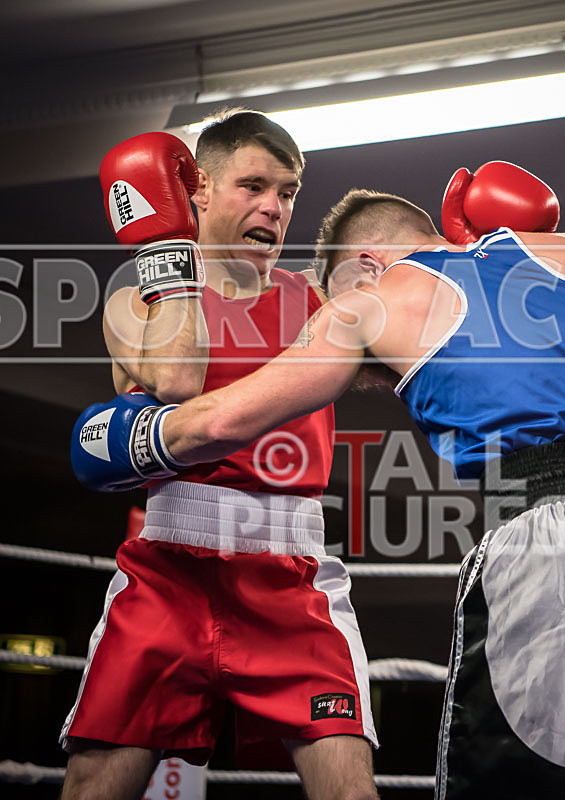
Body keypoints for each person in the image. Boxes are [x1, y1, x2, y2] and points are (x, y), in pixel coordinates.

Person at [72, 175, 565, 800]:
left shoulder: (366, 304)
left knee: (526, 774)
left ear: (361, 265)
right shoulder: (561, 247)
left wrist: (130, 441)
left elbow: (223, 423)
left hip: (550, 539)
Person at [61, 112, 378, 800]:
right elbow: (174, 384)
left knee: (349, 788)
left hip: (293, 578)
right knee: (93, 783)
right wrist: (167, 249)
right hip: (168, 571)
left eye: (288, 193)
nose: (274, 207)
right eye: (254, 185)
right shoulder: (132, 300)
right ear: (195, 189)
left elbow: (426, 349)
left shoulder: (322, 306)